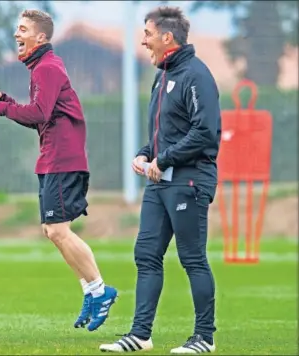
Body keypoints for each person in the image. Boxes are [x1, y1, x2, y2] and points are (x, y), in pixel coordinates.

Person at [0, 9, 117, 332]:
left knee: (58, 230)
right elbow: (44, 114)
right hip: (53, 159)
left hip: (63, 160)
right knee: (52, 231)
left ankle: (101, 291)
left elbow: (39, 113)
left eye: (23, 29)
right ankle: (90, 291)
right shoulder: (42, 68)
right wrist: (8, 99)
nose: (17, 35)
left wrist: (1, 108)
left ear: (41, 37)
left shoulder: (47, 67)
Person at [99, 6, 221, 354]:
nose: (143, 41)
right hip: (158, 182)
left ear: (167, 38)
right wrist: (143, 153)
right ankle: (140, 335)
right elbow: (160, 132)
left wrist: (163, 159)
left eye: (148, 34)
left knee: (192, 258)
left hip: (190, 180)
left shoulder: (196, 75)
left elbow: (205, 133)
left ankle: (204, 338)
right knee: (146, 254)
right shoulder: (161, 75)